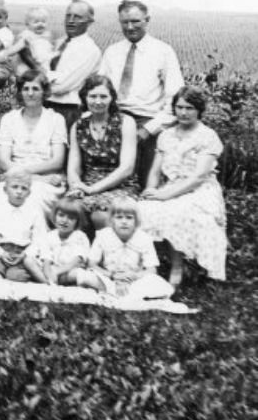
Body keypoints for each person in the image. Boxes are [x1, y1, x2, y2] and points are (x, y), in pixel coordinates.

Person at [137, 87, 228, 286]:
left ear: (199, 110)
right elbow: (155, 171)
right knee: (142, 209)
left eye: (189, 108)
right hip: (170, 186)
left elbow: (198, 177)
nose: (184, 113)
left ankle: (178, 266)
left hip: (200, 190)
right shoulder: (166, 135)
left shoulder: (207, 136)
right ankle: (143, 266)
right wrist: (150, 190)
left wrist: (164, 195)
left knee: (176, 211)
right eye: (179, 107)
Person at [98, 0, 185, 187]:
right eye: (124, 22)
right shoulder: (112, 52)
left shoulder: (163, 52)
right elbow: (98, 89)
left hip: (147, 121)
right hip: (114, 119)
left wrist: (148, 129)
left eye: (136, 21)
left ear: (147, 20)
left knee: (147, 181)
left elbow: (176, 98)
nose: (130, 27)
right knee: (107, 177)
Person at [0, 70, 68, 218]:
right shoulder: (9, 119)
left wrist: (32, 176)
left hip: (46, 181)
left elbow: (57, 161)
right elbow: (4, 162)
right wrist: (31, 177)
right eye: (26, 89)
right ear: (20, 92)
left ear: (44, 92)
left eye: (35, 89)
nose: (30, 93)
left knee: (33, 201)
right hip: (15, 178)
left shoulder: (56, 119)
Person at [65, 75, 139, 229]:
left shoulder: (126, 122)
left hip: (120, 186)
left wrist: (93, 190)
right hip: (86, 185)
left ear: (112, 98)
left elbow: (127, 168)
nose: (98, 101)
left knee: (100, 215)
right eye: (92, 96)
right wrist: (76, 186)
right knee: (69, 210)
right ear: (84, 98)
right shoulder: (78, 126)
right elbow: (73, 167)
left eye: (103, 96)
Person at [73, 196, 175, 300]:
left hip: (133, 279)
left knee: (156, 283)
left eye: (129, 217)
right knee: (85, 276)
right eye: (119, 217)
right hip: (109, 277)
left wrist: (135, 276)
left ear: (136, 220)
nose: (124, 221)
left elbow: (152, 269)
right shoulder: (103, 235)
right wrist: (112, 275)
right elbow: (92, 264)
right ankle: (115, 291)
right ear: (112, 219)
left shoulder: (144, 238)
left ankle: (124, 293)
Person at [45, 0, 102, 129]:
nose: (71, 20)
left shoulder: (89, 50)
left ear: (89, 22)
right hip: (46, 104)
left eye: (77, 17)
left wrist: (41, 81)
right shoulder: (61, 43)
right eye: (68, 15)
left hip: (67, 110)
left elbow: (61, 86)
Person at [0, 169, 49, 282]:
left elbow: (39, 239)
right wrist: (0, 253)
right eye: (14, 187)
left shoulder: (35, 211)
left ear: (29, 192)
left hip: (22, 253)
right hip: (1, 251)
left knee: (15, 277)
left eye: (24, 188)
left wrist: (26, 254)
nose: (19, 191)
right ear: (5, 190)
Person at [27, 198, 90, 286]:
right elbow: (46, 260)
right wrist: (50, 274)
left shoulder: (79, 236)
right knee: (28, 261)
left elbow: (77, 261)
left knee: (80, 274)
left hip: (68, 270)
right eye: (61, 215)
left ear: (77, 221)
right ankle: (48, 283)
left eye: (71, 218)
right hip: (52, 270)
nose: (64, 220)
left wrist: (57, 272)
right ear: (55, 216)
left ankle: (51, 283)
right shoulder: (49, 236)